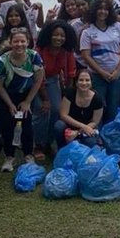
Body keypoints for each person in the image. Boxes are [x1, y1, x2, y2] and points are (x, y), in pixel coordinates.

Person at [0, 28, 45, 172]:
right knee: (8, 124)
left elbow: (38, 81)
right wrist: (10, 104)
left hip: (26, 94)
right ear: (10, 42)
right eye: (16, 41)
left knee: (26, 123)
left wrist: (27, 102)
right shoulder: (1, 61)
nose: (19, 44)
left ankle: (28, 155)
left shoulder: (34, 57)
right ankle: (9, 156)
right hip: (5, 94)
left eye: (23, 41)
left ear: (28, 42)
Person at [79, 0, 120, 123]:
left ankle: (110, 132)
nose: (103, 12)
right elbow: (85, 55)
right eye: (100, 9)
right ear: (94, 11)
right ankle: (97, 132)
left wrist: (117, 71)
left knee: (113, 106)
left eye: (106, 9)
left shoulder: (118, 27)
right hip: (97, 75)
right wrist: (102, 72)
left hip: (117, 74)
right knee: (98, 106)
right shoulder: (87, 31)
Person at [33, 20, 77, 158]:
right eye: (56, 35)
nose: (59, 38)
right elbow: (38, 78)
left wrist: (68, 96)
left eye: (62, 35)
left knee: (57, 110)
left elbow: (70, 74)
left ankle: (48, 142)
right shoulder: (39, 50)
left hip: (52, 80)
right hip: (36, 82)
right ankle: (38, 144)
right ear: (49, 35)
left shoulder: (66, 51)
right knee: (41, 109)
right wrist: (45, 99)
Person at [54, 70, 104, 148]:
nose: (84, 83)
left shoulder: (97, 99)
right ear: (76, 82)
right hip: (70, 126)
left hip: (88, 127)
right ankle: (61, 149)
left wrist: (77, 132)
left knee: (90, 142)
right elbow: (63, 115)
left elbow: (95, 121)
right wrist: (82, 126)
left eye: (87, 80)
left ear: (91, 82)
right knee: (59, 125)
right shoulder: (69, 93)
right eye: (81, 80)